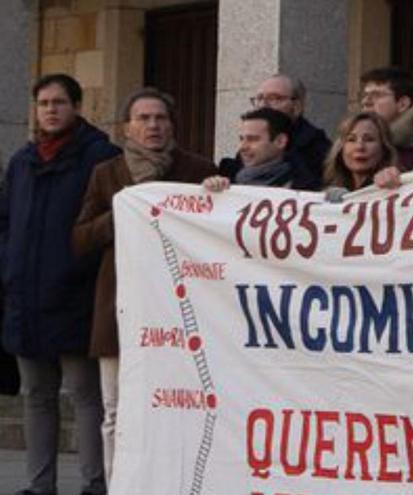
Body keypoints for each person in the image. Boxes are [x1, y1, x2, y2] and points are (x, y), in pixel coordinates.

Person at [71, 87, 217, 485]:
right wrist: (124, 210)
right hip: (118, 307)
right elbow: (80, 238)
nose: (153, 126)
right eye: (144, 119)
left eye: (161, 118)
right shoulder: (107, 174)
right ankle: (118, 483)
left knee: (180, 406)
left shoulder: (198, 171)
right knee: (116, 409)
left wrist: (218, 194)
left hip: (181, 310)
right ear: (127, 128)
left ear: (172, 125)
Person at [1, 73, 120, 495]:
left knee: (87, 399)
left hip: (77, 300)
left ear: (76, 107)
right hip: (25, 301)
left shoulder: (100, 157)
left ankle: (94, 484)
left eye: (59, 102)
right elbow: (7, 225)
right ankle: (40, 486)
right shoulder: (21, 161)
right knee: (36, 396)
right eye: (44, 103)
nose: (51, 110)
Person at [218, 74, 330, 191]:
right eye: (260, 98)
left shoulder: (318, 149)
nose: (264, 105)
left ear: (297, 106)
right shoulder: (245, 152)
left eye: (275, 98)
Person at [204, 108, 308, 191]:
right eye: (241, 139)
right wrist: (211, 191)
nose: (242, 147)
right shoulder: (226, 180)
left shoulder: (306, 187)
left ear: (280, 141)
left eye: (253, 139)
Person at [360, 67, 413, 170]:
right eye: (365, 95)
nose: (365, 102)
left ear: (403, 104)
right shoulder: (354, 146)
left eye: (376, 95)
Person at [323, 111, 398, 201]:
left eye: (369, 139)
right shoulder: (329, 194)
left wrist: (393, 188)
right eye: (351, 139)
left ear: (384, 148)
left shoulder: (395, 185)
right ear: (341, 148)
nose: (359, 147)